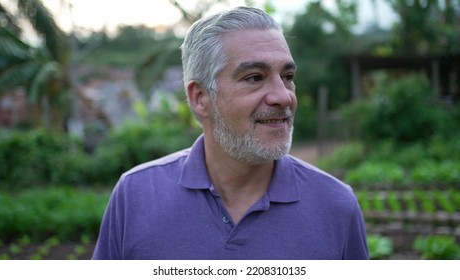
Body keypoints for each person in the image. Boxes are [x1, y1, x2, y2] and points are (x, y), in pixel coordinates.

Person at [92, 6, 368, 260]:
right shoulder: (136, 196)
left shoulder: (335, 206)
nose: (283, 97)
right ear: (200, 97)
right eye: (254, 78)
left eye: (288, 77)